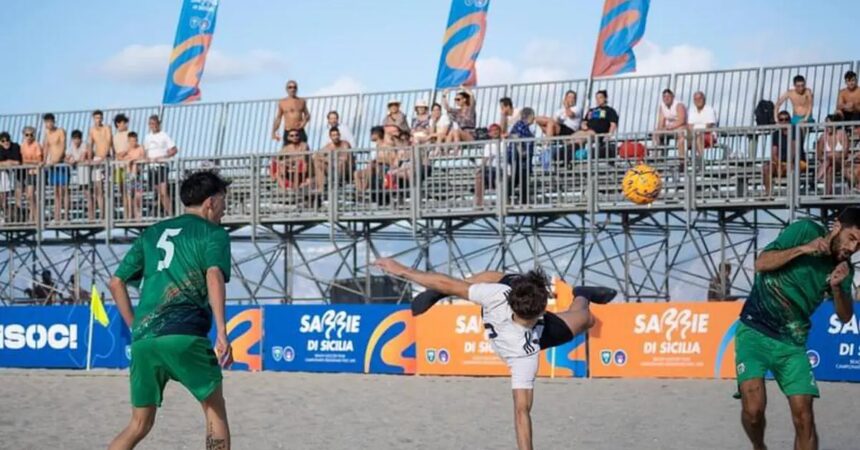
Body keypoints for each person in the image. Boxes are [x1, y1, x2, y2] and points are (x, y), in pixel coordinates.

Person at [373, 258, 615, 450]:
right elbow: (521, 412)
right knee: (584, 318)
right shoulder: (519, 340)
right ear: (541, 311)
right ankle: (580, 294)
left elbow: (450, 283)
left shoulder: (501, 301)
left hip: (530, 320)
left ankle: (582, 292)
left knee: (490, 278)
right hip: (532, 324)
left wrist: (402, 269)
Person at [108, 170, 233, 450]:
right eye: (224, 201)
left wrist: (135, 328)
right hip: (184, 335)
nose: (225, 209)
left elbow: (116, 283)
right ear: (210, 202)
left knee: (139, 424)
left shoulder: (151, 233)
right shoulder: (213, 233)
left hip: (144, 340)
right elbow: (213, 274)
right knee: (214, 409)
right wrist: (223, 332)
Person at [736, 207, 860, 450]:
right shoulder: (805, 230)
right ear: (837, 227)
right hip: (754, 330)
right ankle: (759, 447)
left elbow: (845, 317)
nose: (853, 248)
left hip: (792, 343)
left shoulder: (845, 269)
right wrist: (805, 249)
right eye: (852, 238)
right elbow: (761, 263)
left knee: (804, 417)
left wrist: (836, 287)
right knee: (753, 410)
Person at [763, 111, 806, 197]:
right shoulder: (776, 134)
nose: (784, 122)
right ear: (778, 121)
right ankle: (768, 194)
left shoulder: (796, 130)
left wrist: (787, 164)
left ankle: (793, 194)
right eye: (781, 120)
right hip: (781, 163)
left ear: (790, 120)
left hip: (797, 161)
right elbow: (774, 153)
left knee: (793, 167)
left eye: (786, 119)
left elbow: (794, 150)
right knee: (766, 168)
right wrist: (779, 164)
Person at [143, 115, 178, 217]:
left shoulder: (164, 135)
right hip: (151, 167)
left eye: (154, 123)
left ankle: (171, 214)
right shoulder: (147, 137)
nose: (152, 126)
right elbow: (145, 151)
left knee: (163, 192)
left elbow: (174, 149)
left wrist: (164, 157)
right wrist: (146, 160)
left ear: (158, 124)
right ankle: (160, 212)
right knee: (157, 193)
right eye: (150, 124)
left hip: (161, 166)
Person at [42, 113, 69, 223]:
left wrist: (57, 160)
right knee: (56, 192)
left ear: (53, 121)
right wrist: (44, 161)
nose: (48, 124)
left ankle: (66, 216)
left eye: (50, 121)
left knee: (64, 191)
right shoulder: (47, 134)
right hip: (52, 165)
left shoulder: (60, 131)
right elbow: (46, 148)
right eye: (46, 122)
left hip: (61, 164)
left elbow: (63, 146)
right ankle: (57, 216)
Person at [815, 114, 851, 196]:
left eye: (829, 125)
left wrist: (832, 155)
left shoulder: (842, 134)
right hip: (828, 164)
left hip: (841, 163)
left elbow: (845, 154)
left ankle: (817, 178)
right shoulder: (823, 137)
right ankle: (828, 194)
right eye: (826, 125)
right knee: (829, 169)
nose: (827, 127)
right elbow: (818, 155)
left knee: (830, 157)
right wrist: (831, 155)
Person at [312, 127, 353, 192]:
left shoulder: (345, 144)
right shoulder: (329, 146)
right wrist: (327, 159)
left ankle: (338, 183)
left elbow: (345, 159)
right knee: (317, 162)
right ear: (330, 137)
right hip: (332, 169)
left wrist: (329, 159)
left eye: (337, 135)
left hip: (345, 170)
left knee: (341, 162)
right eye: (333, 135)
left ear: (339, 135)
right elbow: (315, 155)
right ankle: (321, 186)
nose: (336, 137)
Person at [88, 110, 112, 221]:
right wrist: (89, 159)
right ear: (94, 118)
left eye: (100, 117)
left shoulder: (107, 128)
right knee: (98, 189)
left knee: (107, 188)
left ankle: (106, 213)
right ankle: (101, 213)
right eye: (97, 118)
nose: (99, 120)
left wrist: (103, 157)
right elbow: (90, 144)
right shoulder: (92, 130)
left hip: (105, 159)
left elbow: (108, 142)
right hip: (96, 159)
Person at [271, 80, 310, 145]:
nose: (293, 89)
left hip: (299, 130)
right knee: (287, 152)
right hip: (288, 130)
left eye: (294, 87)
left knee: (303, 150)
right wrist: (273, 132)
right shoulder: (282, 102)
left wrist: (304, 122)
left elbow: (307, 115)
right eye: (290, 87)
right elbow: (278, 118)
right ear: (286, 89)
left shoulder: (301, 101)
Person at [66, 129, 92, 220]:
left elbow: (83, 157)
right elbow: (66, 158)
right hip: (80, 174)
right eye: (74, 139)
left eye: (78, 139)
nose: (76, 141)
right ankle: (90, 214)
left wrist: (74, 160)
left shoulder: (84, 145)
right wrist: (70, 160)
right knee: (85, 193)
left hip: (86, 172)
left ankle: (91, 215)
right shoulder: (71, 146)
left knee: (88, 193)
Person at [474, 123, 503, 207]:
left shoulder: (505, 143)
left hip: (502, 169)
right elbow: (485, 160)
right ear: (489, 133)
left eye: (496, 130)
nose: (495, 132)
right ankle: (479, 203)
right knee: (479, 176)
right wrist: (479, 169)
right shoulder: (488, 145)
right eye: (492, 130)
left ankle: (501, 202)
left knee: (497, 175)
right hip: (491, 170)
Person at [121, 132, 147, 220]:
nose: (133, 143)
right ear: (128, 141)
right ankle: (129, 215)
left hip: (138, 176)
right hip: (129, 176)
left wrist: (134, 159)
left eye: (135, 141)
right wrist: (128, 157)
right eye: (131, 141)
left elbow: (143, 157)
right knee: (129, 196)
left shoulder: (140, 148)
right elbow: (120, 158)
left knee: (138, 196)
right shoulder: (127, 150)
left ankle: (138, 216)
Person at [654, 89, 688, 153]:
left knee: (682, 134)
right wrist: (660, 129)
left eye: (668, 96)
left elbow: (682, 120)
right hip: (668, 128)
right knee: (656, 133)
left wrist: (671, 127)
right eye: (664, 97)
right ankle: (656, 156)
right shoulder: (662, 107)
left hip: (679, 127)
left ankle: (682, 159)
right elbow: (661, 121)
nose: (666, 98)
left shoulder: (679, 105)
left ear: (673, 97)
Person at [20, 126, 43, 223]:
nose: (29, 137)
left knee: (34, 195)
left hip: (36, 173)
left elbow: (39, 161)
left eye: (31, 135)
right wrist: (29, 162)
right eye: (27, 135)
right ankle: (32, 215)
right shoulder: (23, 146)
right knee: (30, 195)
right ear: (24, 135)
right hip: (29, 173)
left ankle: (35, 217)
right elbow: (22, 161)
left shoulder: (37, 145)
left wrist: (28, 162)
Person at [0, 132, 23, 223]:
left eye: (7, 140)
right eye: (3, 141)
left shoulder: (15, 147)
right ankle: (4, 215)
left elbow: (18, 162)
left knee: (7, 195)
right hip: (4, 175)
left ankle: (18, 215)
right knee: (2, 197)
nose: (6, 142)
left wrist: (6, 163)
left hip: (16, 174)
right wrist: (8, 162)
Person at [113, 114, 131, 219]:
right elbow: (114, 150)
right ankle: (126, 212)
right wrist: (118, 155)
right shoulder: (115, 136)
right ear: (118, 124)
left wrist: (122, 154)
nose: (124, 125)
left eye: (125, 122)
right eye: (122, 122)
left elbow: (130, 146)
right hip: (117, 166)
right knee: (121, 190)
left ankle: (129, 214)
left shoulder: (129, 133)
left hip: (127, 165)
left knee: (128, 190)